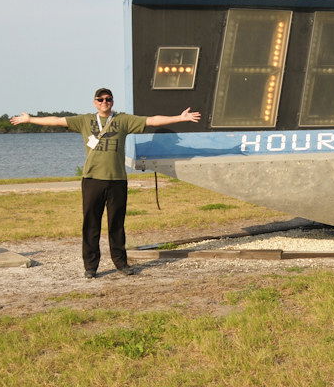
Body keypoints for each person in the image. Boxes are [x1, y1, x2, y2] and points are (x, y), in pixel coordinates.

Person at [11, 88, 201, 278]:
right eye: (100, 99)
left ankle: (121, 263)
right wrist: (30, 119)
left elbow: (151, 120)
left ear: (112, 101)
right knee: (91, 224)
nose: (104, 102)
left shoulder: (123, 120)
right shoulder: (85, 120)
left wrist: (180, 117)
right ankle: (91, 267)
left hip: (117, 179)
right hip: (92, 179)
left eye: (108, 99)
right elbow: (57, 120)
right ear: (94, 102)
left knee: (116, 224)